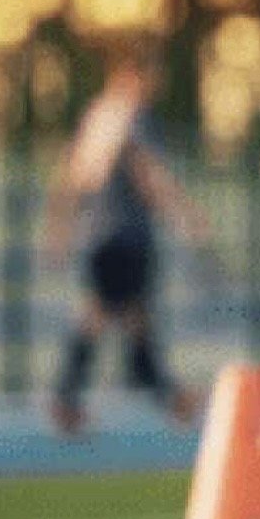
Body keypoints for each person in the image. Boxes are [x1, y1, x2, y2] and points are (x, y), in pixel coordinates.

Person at [41, 54, 214, 436]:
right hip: (124, 233)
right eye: (151, 78)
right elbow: (147, 173)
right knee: (108, 314)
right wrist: (185, 215)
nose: (154, 88)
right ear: (131, 75)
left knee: (125, 315)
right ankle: (157, 395)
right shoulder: (131, 117)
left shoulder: (96, 117)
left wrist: (59, 227)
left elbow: (69, 174)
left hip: (97, 233)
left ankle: (163, 394)